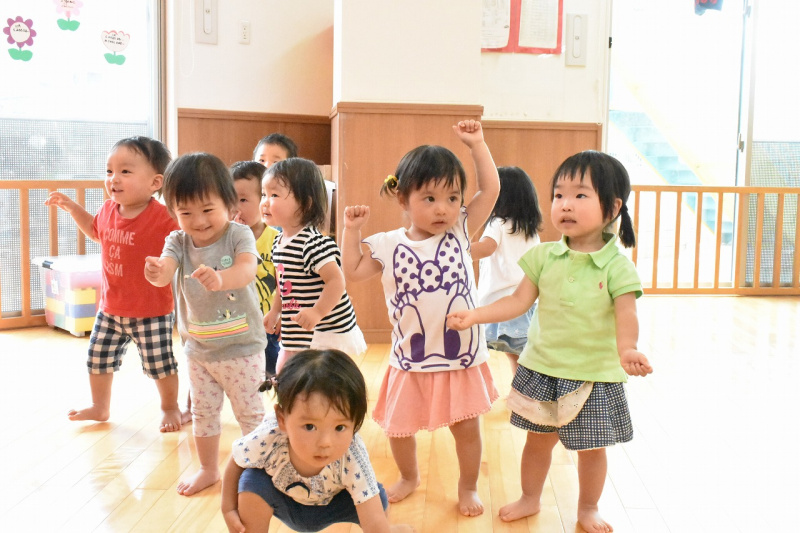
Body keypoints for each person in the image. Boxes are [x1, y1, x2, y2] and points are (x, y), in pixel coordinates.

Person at [446, 150, 654, 532]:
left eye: (580, 195)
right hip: (543, 368)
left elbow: (627, 315)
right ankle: (530, 497)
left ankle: (588, 507)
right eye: (559, 195)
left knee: (592, 449)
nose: (565, 204)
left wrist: (628, 349)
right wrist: (475, 315)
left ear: (612, 207)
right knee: (538, 442)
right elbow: (517, 301)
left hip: (593, 375)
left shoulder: (617, 265)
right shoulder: (543, 255)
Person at [341, 120, 500, 517]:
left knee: (467, 429)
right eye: (429, 198)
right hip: (410, 358)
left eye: (452, 197)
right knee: (399, 427)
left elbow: (491, 189)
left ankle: (468, 486)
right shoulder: (388, 244)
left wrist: (477, 145)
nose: (442, 208)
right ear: (403, 198)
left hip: (460, 356)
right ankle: (409, 476)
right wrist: (350, 230)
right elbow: (352, 271)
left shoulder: (460, 230)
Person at [44, 136, 187, 433]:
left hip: (151, 311)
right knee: (97, 359)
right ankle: (100, 406)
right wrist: (73, 208)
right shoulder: (109, 209)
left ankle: (169, 407)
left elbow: (187, 239)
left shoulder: (163, 217)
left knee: (160, 365)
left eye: (125, 171)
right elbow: (95, 231)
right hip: (110, 309)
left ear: (155, 182)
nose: (114, 178)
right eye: (109, 171)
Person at [144, 152, 267, 496]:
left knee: (250, 414)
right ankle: (209, 469)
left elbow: (247, 269)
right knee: (203, 413)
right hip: (199, 350)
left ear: (229, 203)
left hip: (242, 347)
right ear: (173, 212)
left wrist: (221, 278)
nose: (198, 221)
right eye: (185, 213)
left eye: (207, 210)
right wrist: (156, 272)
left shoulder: (238, 234)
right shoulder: (177, 242)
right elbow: (165, 271)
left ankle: (258, 471)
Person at [221, 349, 414, 533]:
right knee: (252, 481)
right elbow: (237, 460)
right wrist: (228, 508)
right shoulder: (269, 436)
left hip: (337, 504)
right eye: (310, 426)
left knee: (376, 498)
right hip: (285, 501)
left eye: (340, 427)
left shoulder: (353, 455)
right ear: (282, 419)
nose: (325, 442)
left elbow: (373, 517)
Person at [261, 158, 366, 373]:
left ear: (305, 204)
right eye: (264, 194)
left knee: (320, 379)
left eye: (274, 195)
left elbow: (336, 281)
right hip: (298, 329)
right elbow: (284, 283)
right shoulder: (278, 242)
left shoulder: (313, 243)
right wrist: (275, 311)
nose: (265, 202)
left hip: (325, 331)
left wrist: (317, 312)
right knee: (285, 373)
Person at [471, 166, 542, 376]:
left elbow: (486, 248)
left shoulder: (498, 223)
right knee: (520, 355)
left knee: (479, 350)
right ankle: (520, 387)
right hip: (525, 303)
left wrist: (455, 251)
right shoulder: (530, 230)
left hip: (499, 302)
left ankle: (489, 388)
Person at [231, 161, 281, 376]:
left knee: (276, 371)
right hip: (235, 325)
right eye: (230, 199)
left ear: (264, 201)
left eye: (243, 200)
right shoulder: (224, 240)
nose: (235, 207)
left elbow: (285, 282)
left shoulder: (277, 239)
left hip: (267, 324)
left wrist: (281, 313)